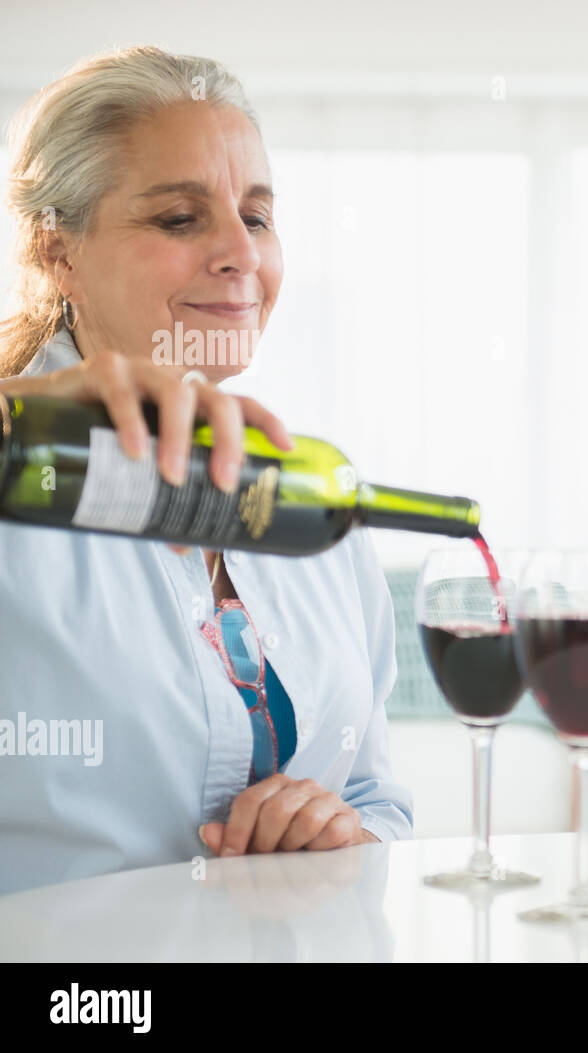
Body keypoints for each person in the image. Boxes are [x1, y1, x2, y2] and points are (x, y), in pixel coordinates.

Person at [0, 46, 412, 895]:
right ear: (58, 251)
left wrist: (341, 831)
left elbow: (379, 794)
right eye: (180, 219)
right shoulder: (17, 467)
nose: (239, 253)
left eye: (257, 217)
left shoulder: (315, 506)